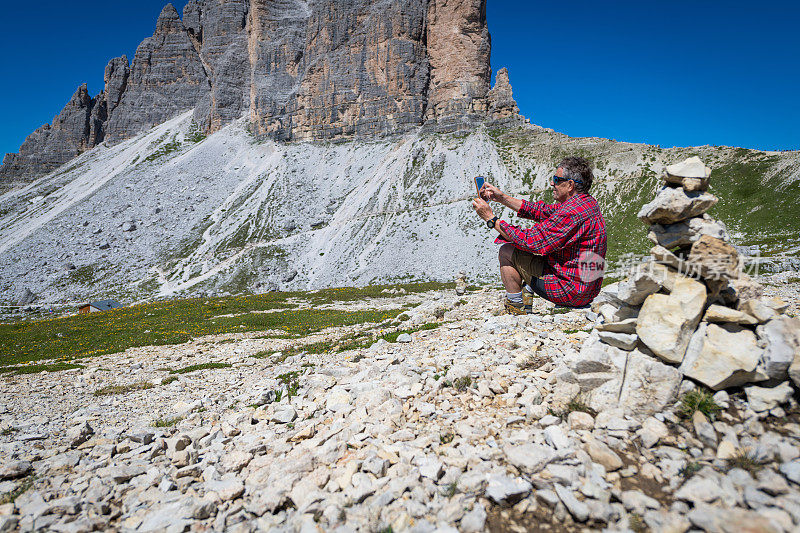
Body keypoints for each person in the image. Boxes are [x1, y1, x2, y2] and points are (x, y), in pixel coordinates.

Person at [471, 156, 607, 314]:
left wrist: (490, 219)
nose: (552, 183)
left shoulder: (571, 212)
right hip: (587, 288)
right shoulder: (586, 203)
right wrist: (502, 198)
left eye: (556, 179)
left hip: (571, 292)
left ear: (570, 185)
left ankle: (516, 309)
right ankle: (527, 295)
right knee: (537, 251)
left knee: (507, 251)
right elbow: (540, 211)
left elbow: (530, 241)